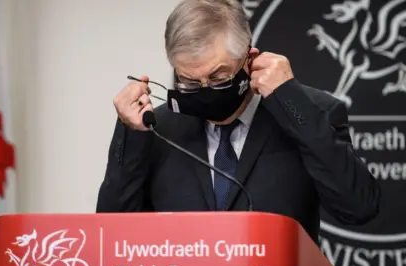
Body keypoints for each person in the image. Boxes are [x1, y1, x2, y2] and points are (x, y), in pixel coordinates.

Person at [96, 0, 380, 241]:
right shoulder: (158, 127)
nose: (206, 89)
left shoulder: (311, 111)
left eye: (219, 77)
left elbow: (359, 208)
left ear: (249, 59)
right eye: (190, 81)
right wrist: (131, 134)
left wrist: (293, 103)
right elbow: (112, 235)